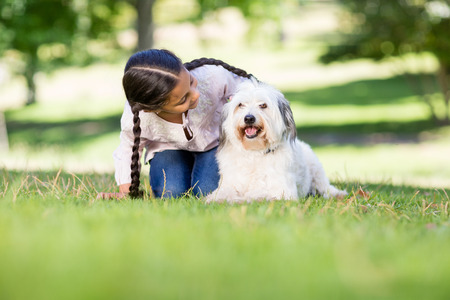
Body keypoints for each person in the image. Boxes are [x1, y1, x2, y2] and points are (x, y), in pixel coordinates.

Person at [97, 49, 253, 199]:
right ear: (154, 109)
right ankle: (182, 169)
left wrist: (241, 102)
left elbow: (251, 89)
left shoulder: (212, 76)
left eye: (191, 81)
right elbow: (129, 149)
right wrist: (126, 192)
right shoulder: (138, 116)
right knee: (171, 193)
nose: (195, 94)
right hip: (168, 149)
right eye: (183, 99)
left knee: (208, 191)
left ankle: (201, 170)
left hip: (213, 144)